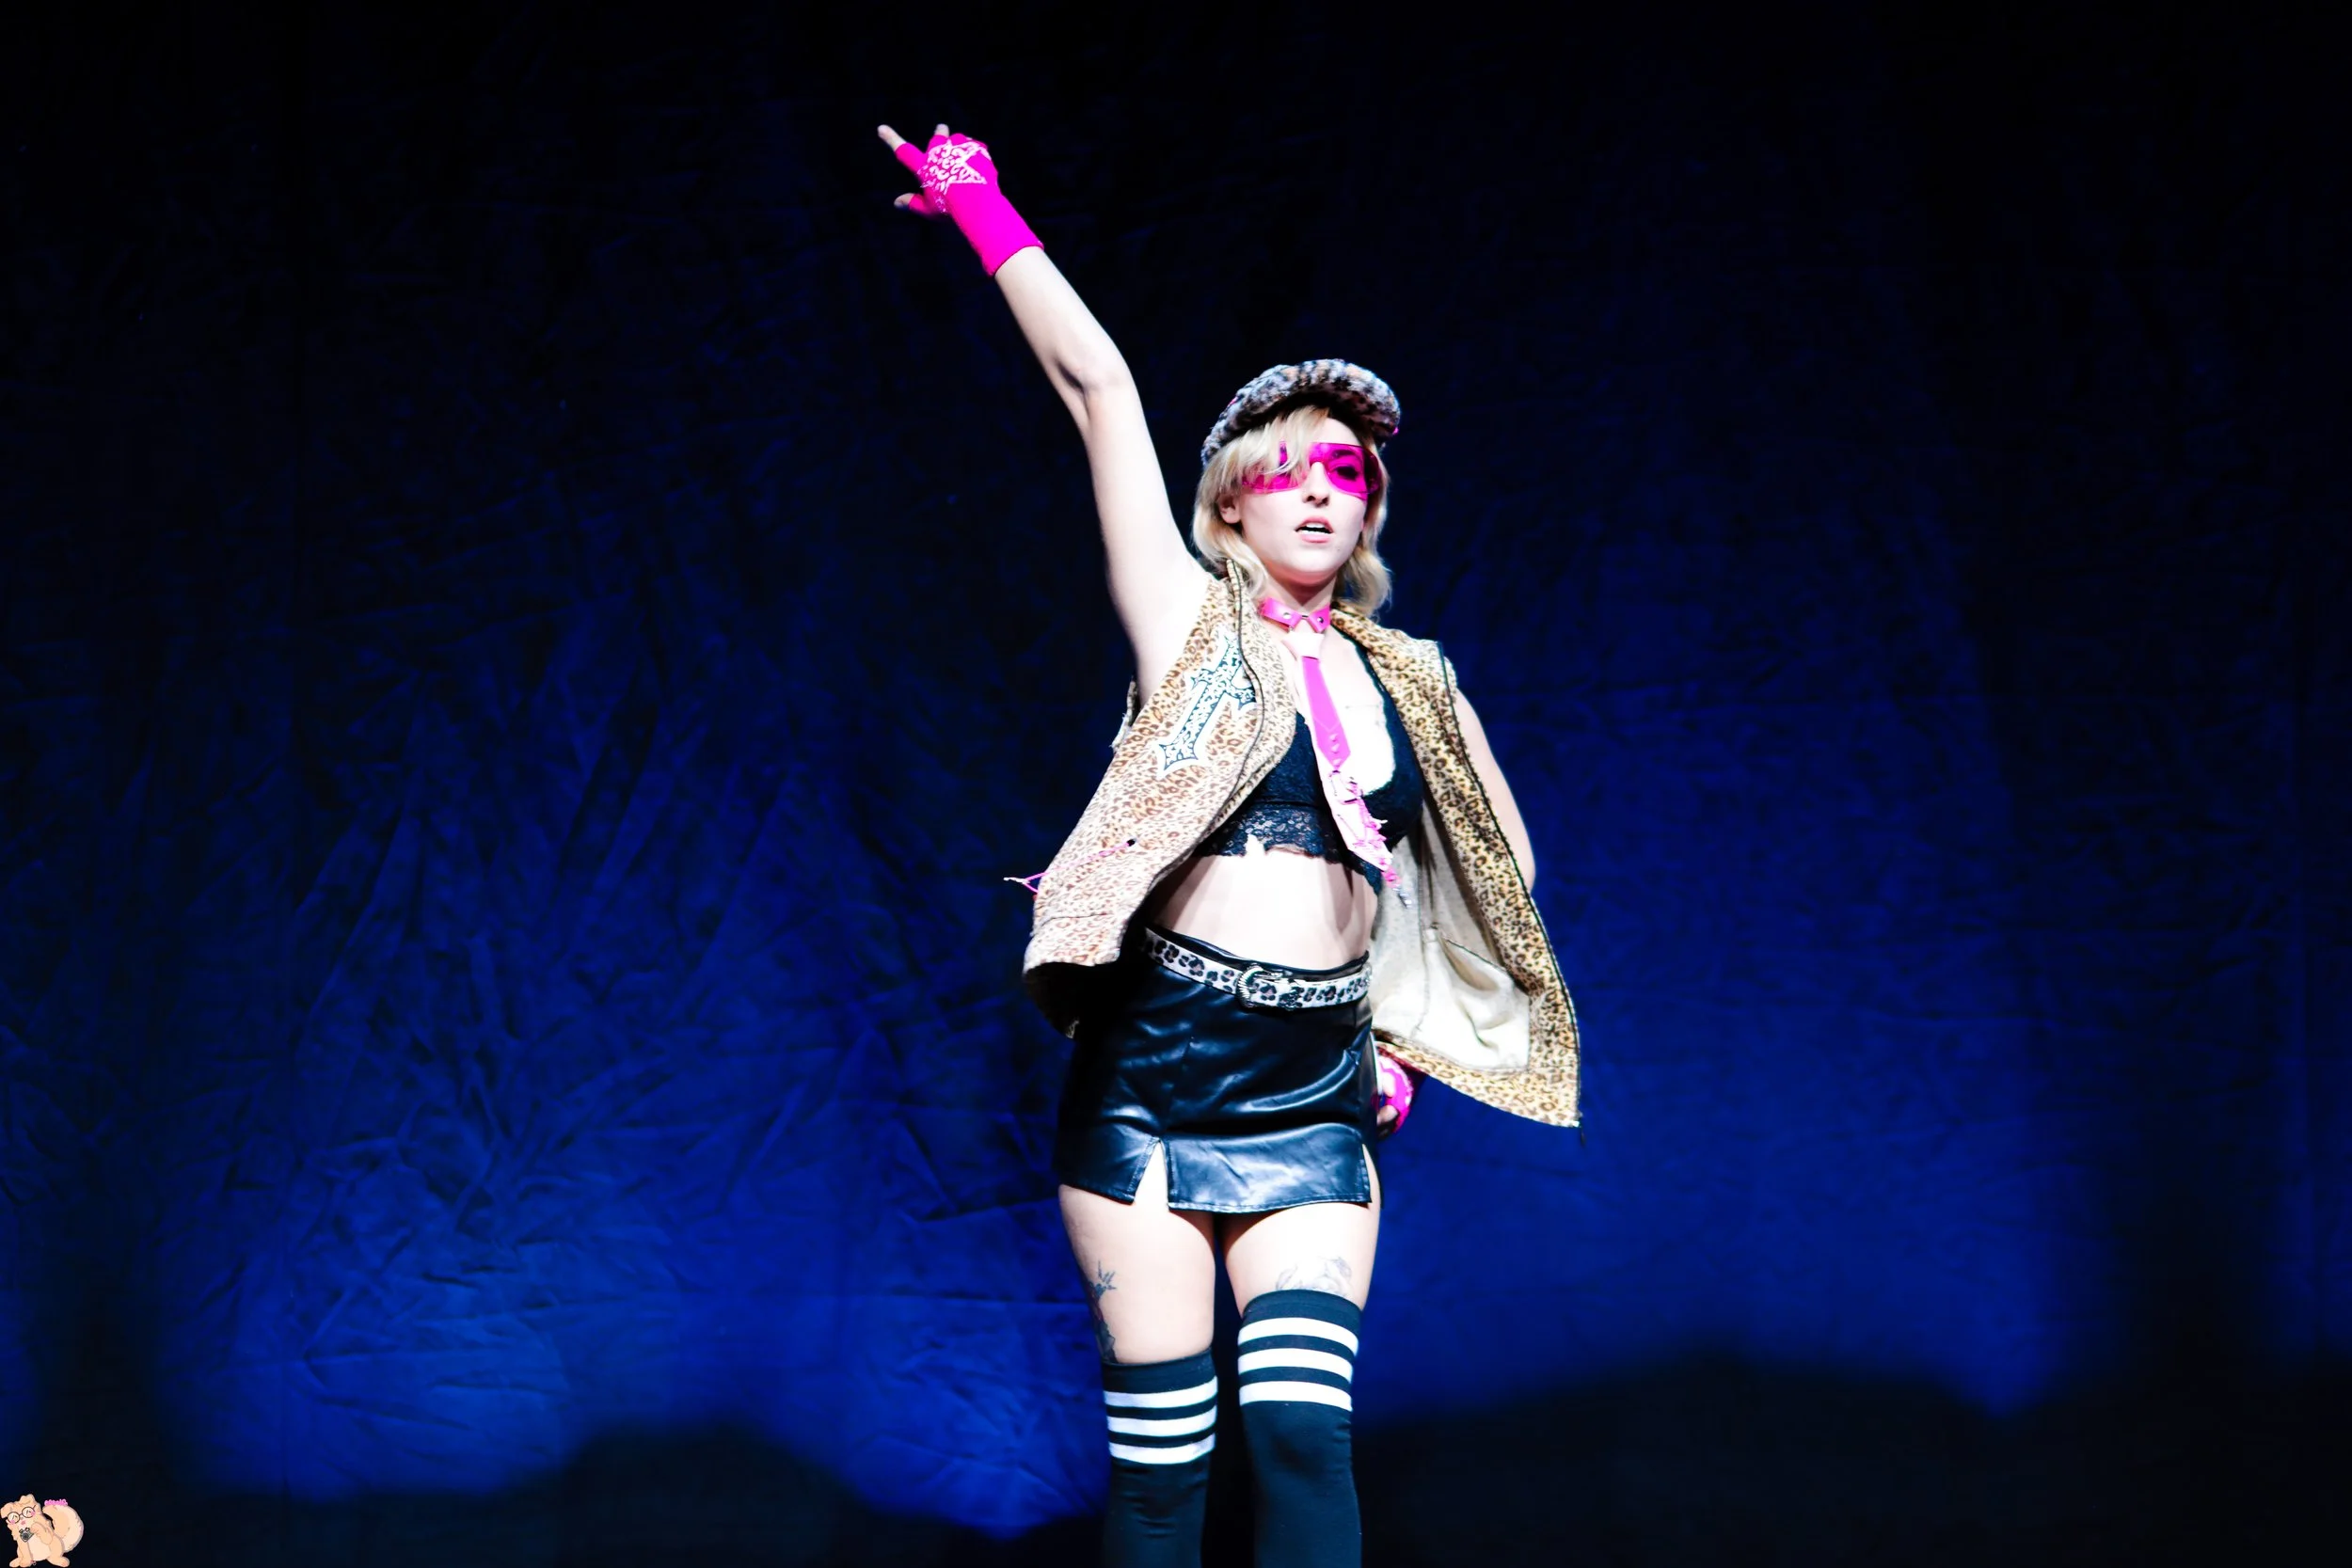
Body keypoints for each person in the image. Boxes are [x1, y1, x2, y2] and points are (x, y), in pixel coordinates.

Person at [878, 123, 1581, 1568]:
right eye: (1290, 467)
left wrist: (1397, 1032)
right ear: (1232, 500)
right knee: (1165, 1464)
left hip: (1315, 1084)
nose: (1322, 487)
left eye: (1349, 471)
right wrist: (982, 208)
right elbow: (1099, 386)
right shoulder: (1185, 622)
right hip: (1156, 1068)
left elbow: (1493, 876)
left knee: (1303, 1438)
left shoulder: (1415, 679)